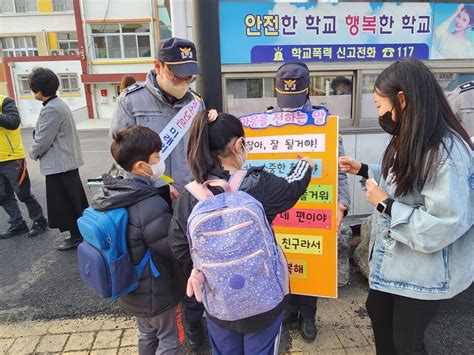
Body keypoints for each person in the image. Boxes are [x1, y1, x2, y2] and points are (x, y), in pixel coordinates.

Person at [339, 59, 473, 355]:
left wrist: (386, 205)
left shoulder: (446, 152)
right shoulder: (415, 137)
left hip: (422, 273)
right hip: (397, 265)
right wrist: (363, 169)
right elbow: (407, 179)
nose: (379, 114)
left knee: (406, 342)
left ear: (401, 99)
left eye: (378, 106)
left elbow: (443, 224)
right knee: (378, 313)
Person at [169, 109, 314, 354]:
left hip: (220, 304)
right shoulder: (258, 184)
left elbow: (178, 245)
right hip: (264, 303)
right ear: (238, 145)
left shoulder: (189, 197)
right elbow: (293, 187)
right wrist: (305, 165)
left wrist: (210, 272)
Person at [271, 62, 351, 342]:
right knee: (284, 259)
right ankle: (289, 311)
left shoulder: (324, 123)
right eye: (284, 100)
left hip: (314, 204)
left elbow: (338, 169)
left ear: (307, 92)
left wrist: (341, 203)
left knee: (311, 261)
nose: (288, 107)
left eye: (295, 100)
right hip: (281, 208)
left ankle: (309, 315)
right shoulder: (268, 122)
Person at [91, 125, 186, 354]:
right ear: (142, 167)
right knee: (169, 339)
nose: (160, 161)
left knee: (147, 334)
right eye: (157, 156)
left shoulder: (114, 191)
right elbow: (172, 247)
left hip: (132, 286)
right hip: (157, 291)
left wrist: (161, 191)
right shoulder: (148, 205)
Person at [110, 37, 204, 196]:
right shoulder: (130, 101)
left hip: (190, 192)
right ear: (158, 67)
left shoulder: (196, 103)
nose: (184, 81)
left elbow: (201, 149)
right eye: (177, 75)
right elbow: (120, 155)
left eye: (190, 76)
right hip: (149, 195)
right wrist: (159, 185)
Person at [29, 68, 89, 251]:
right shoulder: (58, 104)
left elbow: (42, 140)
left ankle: (77, 236)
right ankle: (79, 234)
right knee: (74, 202)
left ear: (39, 90)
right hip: (66, 163)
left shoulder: (51, 109)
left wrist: (33, 153)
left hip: (59, 165)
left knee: (65, 204)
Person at [0, 95, 47, 239]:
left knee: (23, 193)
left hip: (12, 157)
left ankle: (39, 220)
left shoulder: (5, 101)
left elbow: (13, 122)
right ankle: (17, 223)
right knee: (2, 195)